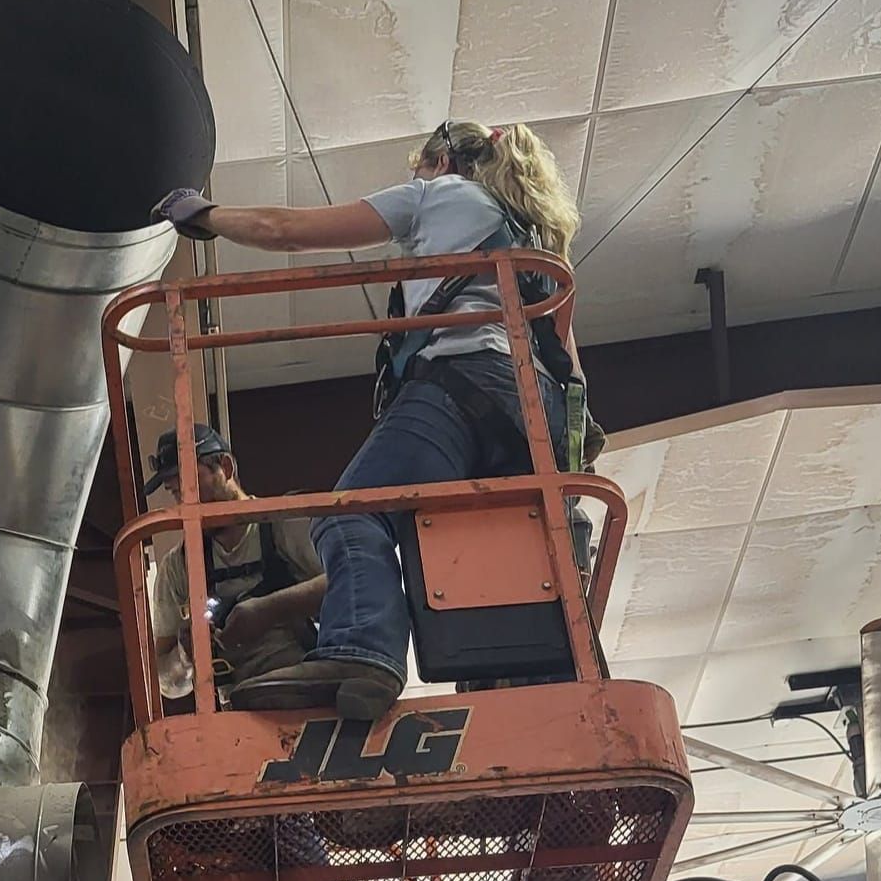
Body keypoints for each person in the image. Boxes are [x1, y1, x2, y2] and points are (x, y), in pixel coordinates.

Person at [152, 120, 584, 720]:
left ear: (440, 160)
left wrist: (204, 215)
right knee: (485, 553)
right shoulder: (532, 238)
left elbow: (288, 233)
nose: (413, 179)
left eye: (418, 168)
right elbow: (567, 365)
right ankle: (522, 684)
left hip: (459, 383)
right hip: (524, 413)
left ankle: (363, 652)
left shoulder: (443, 194)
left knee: (348, 512)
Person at [145, 422, 327, 693]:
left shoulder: (285, 524)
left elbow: (346, 583)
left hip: (306, 692)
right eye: (175, 492)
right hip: (236, 709)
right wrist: (185, 654)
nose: (185, 502)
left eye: (191, 486)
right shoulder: (179, 566)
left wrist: (267, 610)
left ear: (226, 467)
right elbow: (165, 682)